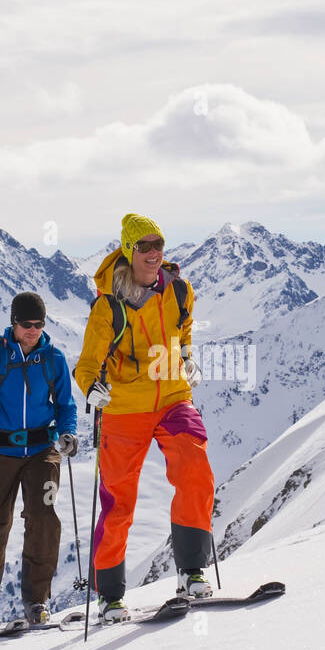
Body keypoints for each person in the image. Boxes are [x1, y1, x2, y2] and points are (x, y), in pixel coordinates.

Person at [72, 213, 215, 623]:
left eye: (159, 245)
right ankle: (110, 595)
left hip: (172, 397)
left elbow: (183, 331)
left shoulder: (181, 291)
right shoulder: (108, 308)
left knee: (195, 470)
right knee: (119, 503)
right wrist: (93, 389)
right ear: (129, 251)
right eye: (145, 247)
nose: (154, 254)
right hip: (124, 407)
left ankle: (191, 571)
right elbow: (86, 365)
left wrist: (186, 358)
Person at [0, 292, 79, 636]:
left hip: (42, 450)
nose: (33, 330)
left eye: (39, 324)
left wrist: (67, 433)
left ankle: (36, 600)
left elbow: (66, 405)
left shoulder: (53, 358)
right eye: (27, 324)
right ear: (14, 323)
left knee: (44, 519)